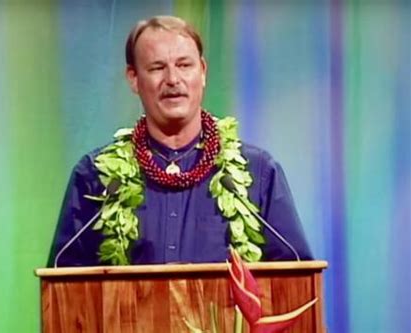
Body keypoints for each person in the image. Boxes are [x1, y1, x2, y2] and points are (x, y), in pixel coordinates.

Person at [48, 16, 312, 267]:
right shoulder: (96, 176)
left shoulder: (258, 172)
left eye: (184, 65)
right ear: (134, 79)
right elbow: (63, 284)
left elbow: (296, 277)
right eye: (157, 68)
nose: (173, 80)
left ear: (203, 72)